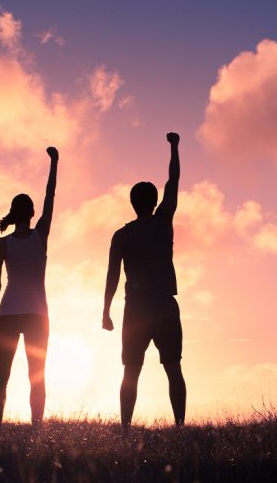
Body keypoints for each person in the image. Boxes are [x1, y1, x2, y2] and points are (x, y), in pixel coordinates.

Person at [102, 132, 186, 429]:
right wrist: (174, 147)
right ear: (153, 202)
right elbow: (173, 181)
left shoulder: (122, 235)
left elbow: (112, 275)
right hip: (162, 305)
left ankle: (125, 430)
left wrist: (105, 311)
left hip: (137, 308)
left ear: (132, 203)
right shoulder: (163, 221)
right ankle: (179, 429)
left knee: (131, 371)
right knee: (173, 368)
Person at [0, 147, 59, 428]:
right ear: (32, 212)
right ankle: (36, 429)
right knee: (36, 374)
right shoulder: (39, 234)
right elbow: (51, 196)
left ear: (14, 213)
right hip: (35, 315)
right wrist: (54, 162)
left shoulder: (1, 243)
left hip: (9, 314)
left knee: (2, 374)